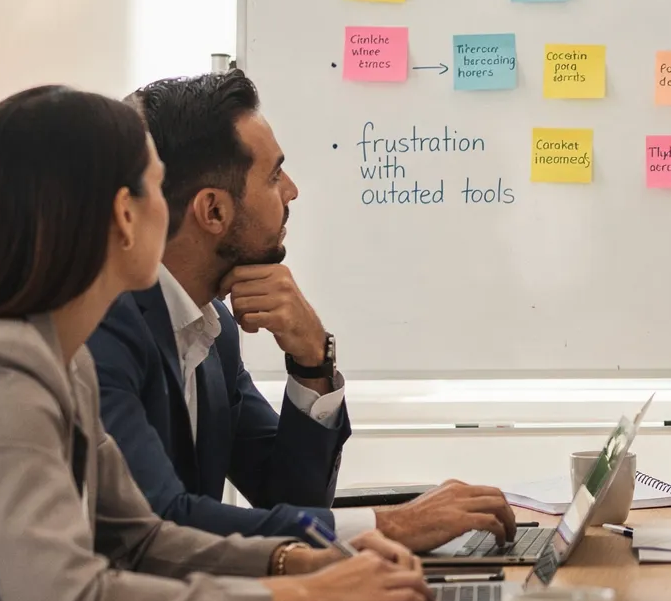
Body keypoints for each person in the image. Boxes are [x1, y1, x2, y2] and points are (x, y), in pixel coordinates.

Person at [0, 86, 434, 601]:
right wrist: (304, 597)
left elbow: (143, 539)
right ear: (125, 217)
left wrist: (302, 561)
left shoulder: (58, 357)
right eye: (157, 186)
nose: (171, 207)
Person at [87, 71, 512, 551]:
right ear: (214, 212)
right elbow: (158, 522)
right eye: (273, 176)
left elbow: (290, 498)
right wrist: (390, 526)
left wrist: (313, 360)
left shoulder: (212, 331)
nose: (291, 191)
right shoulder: (105, 325)